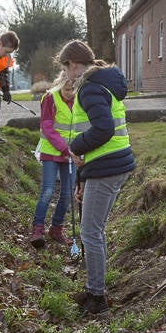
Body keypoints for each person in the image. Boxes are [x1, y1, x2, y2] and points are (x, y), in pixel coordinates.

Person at [58, 40, 135, 316]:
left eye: (66, 67)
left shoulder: (89, 88)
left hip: (108, 167)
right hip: (109, 166)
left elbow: (103, 131)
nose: (66, 73)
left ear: (75, 64)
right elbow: (97, 131)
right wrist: (81, 178)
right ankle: (93, 290)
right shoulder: (101, 83)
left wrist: (75, 147)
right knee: (93, 230)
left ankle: (97, 298)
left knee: (90, 231)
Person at [29, 72, 75, 249]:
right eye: (67, 89)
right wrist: (64, 148)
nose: (70, 93)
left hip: (71, 153)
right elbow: (47, 127)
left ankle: (56, 228)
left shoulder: (79, 100)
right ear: (60, 84)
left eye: (73, 89)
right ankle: (37, 229)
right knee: (47, 191)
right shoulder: (50, 98)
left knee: (68, 193)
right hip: (52, 152)